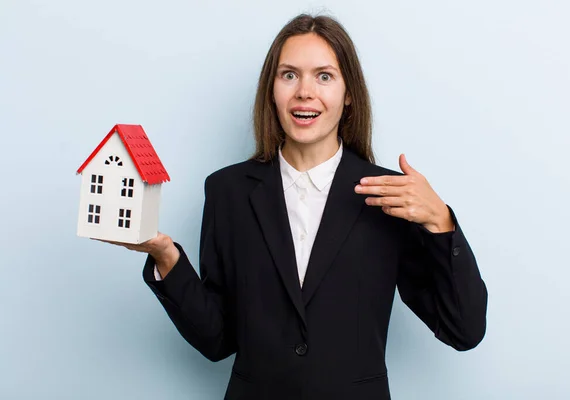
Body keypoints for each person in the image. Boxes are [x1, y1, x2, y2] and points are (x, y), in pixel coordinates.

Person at [107, 13, 487, 400]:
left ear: (349, 92)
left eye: (324, 76)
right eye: (289, 75)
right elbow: (217, 339)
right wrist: (167, 259)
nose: (305, 91)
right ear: (272, 89)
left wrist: (441, 221)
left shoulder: (389, 195)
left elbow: (464, 330)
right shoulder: (228, 191)